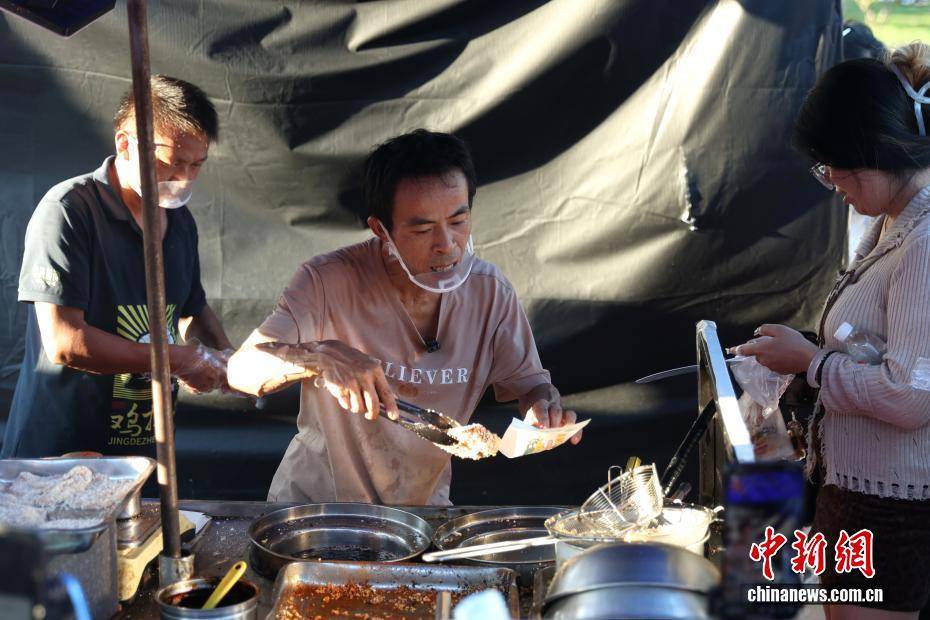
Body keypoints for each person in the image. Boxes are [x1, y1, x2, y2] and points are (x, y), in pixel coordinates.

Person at [229, 129, 582, 505]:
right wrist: (321, 356)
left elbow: (529, 385)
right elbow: (241, 370)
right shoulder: (326, 280)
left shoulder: (490, 292)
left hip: (420, 516)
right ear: (382, 230)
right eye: (423, 228)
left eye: (458, 221)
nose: (447, 245)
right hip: (317, 511)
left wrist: (544, 410)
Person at [733, 43, 930, 618]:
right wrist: (805, 358)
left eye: (831, 169)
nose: (830, 183)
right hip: (858, 489)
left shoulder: (921, 245)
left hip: (890, 508)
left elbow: (913, 394)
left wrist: (813, 365)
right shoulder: (892, 221)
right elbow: (880, 349)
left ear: (872, 154)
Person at [2, 75, 232, 460]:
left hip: (146, 454)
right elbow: (65, 343)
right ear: (125, 144)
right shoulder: (70, 211)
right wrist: (183, 360)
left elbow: (191, 311)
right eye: (173, 162)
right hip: (60, 454)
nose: (185, 178)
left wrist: (228, 358)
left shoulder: (179, 222)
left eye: (197, 164)